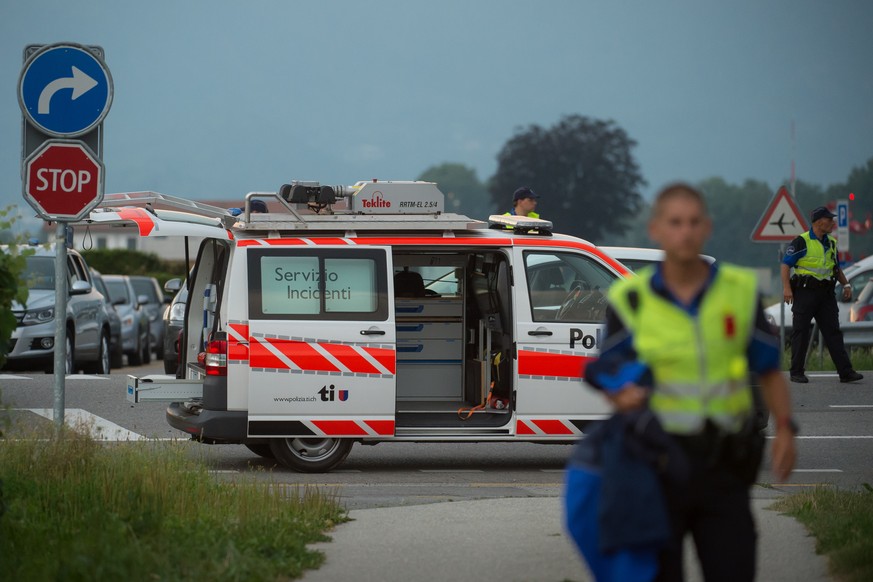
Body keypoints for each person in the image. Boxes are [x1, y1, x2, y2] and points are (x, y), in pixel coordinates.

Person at [593, 183, 796, 582]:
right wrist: (619, 392)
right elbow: (605, 368)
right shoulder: (630, 298)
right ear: (656, 229)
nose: (684, 232)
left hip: (724, 469)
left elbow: (769, 369)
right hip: (656, 469)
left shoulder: (738, 292)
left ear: (707, 228)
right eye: (675, 223)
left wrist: (786, 430)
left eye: (693, 222)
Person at [780, 206, 864, 384]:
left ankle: (846, 372)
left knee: (833, 332)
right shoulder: (801, 241)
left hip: (826, 294)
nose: (833, 223)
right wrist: (787, 288)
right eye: (829, 220)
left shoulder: (831, 243)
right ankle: (796, 372)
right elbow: (785, 265)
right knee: (800, 332)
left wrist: (846, 283)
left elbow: (836, 268)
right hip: (805, 293)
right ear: (819, 222)